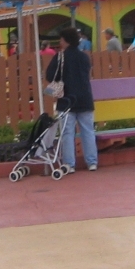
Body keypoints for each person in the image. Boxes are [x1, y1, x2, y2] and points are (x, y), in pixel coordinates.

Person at [45, 27, 98, 174]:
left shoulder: (60, 57)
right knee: (88, 131)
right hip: (85, 98)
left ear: (66, 40)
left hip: (66, 99)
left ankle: (69, 164)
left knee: (67, 133)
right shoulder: (84, 57)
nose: (60, 42)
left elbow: (50, 75)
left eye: (61, 39)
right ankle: (92, 162)